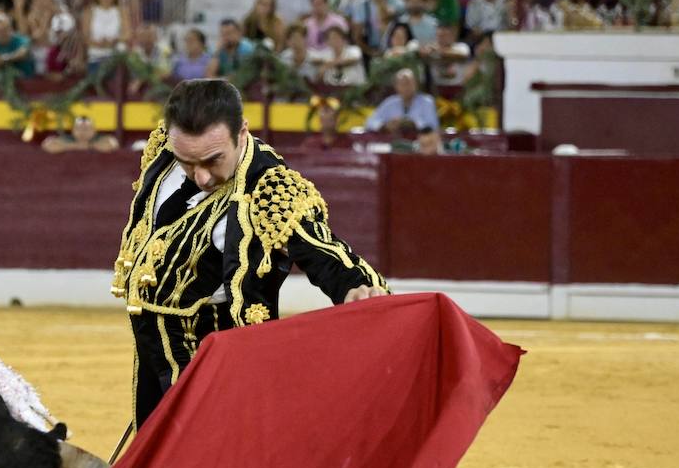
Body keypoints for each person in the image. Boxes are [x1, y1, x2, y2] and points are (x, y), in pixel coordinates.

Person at [111, 79, 387, 427]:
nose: (201, 176)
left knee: (210, 462)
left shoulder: (268, 186)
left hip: (213, 361)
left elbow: (319, 246)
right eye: (187, 162)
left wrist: (355, 287)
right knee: (154, 460)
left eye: (213, 160)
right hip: (152, 349)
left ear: (242, 133)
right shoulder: (168, 150)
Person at [364, 67, 439, 132]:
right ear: (396, 86)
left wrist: (413, 124)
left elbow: (433, 125)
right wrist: (385, 126)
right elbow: (369, 122)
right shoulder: (390, 102)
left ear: (416, 84)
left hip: (419, 142)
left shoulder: (427, 101)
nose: (406, 87)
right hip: (394, 143)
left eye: (409, 83)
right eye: (403, 84)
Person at [82, 0, 131, 75]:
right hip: (96, 57)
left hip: (117, 57)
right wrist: (99, 44)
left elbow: (127, 34)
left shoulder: (122, 11)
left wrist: (114, 41)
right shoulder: (89, 12)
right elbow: (85, 38)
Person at [0, 12, 36, 77]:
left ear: (11, 28)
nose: (2, 33)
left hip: (25, 80)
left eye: (5, 29)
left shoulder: (23, 40)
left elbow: (22, 53)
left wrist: (3, 59)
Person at [420, 22, 470, 86]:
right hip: (437, 87)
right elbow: (421, 53)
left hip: (457, 86)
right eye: (439, 36)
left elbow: (463, 55)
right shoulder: (431, 49)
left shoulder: (461, 47)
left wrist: (440, 51)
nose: (442, 39)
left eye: (445, 35)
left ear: (452, 36)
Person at [41, 114, 120, 152]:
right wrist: (75, 146)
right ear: (73, 131)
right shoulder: (67, 138)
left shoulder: (100, 138)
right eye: (79, 129)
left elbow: (111, 145)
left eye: (86, 129)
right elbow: (48, 146)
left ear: (94, 131)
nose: (82, 132)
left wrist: (89, 146)